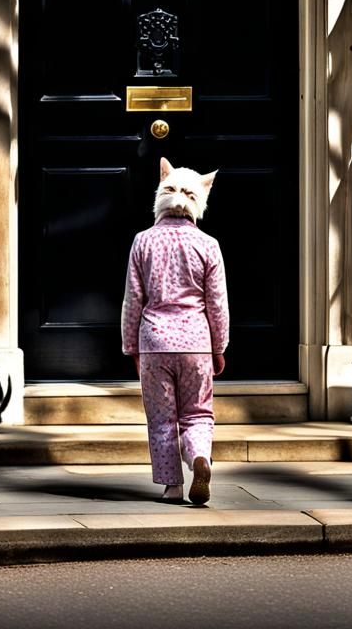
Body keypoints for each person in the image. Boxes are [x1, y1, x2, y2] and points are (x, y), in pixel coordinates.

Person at [121, 157, 229, 505]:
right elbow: (217, 304)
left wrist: (131, 347)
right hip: (196, 343)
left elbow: (133, 301)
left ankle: (173, 487)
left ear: (161, 192)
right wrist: (219, 347)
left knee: (162, 418)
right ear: (202, 197)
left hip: (154, 342)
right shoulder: (208, 245)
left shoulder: (142, 241)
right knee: (198, 413)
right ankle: (199, 457)